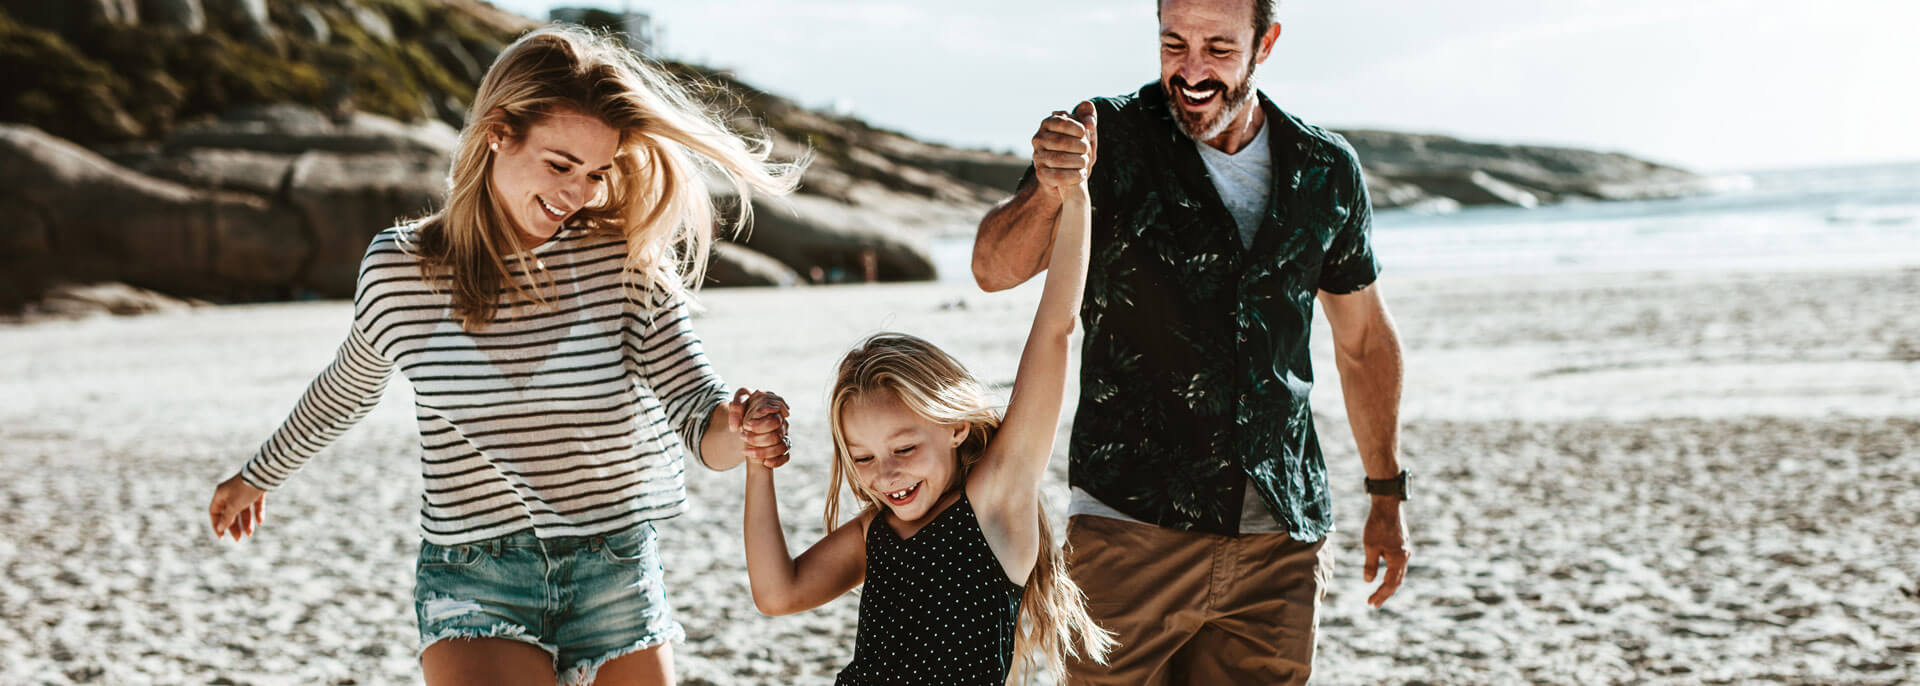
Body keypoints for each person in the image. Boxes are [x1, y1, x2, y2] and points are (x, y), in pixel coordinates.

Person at [204, 26, 799, 686]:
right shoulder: (402, 271)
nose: (577, 193)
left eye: (597, 173)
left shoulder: (619, 262)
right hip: (473, 579)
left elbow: (697, 419)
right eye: (559, 164)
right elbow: (348, 387)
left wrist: (739, 428)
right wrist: (259, 473)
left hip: (615, 574)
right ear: (498, 132)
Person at [970, 0, 1411, 683]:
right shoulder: (1104, 136)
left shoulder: (1325, 169)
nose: (1193, 69)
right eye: (1174, 43)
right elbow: (993, 269)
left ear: (1266, 43)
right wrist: (1051, 192)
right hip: (1129, 523)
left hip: (1279, 538)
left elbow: (1362, 343)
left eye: (1218, 47)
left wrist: (1386, 493)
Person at [739, 117, 1113, 685]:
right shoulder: (877, 531)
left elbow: (1055, 331)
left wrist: (1076, 198)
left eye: (904, 447)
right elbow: (777, 593)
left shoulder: (994, 502)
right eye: (862, 458)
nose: (885, 474)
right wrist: (758, 466)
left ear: (955, 426)